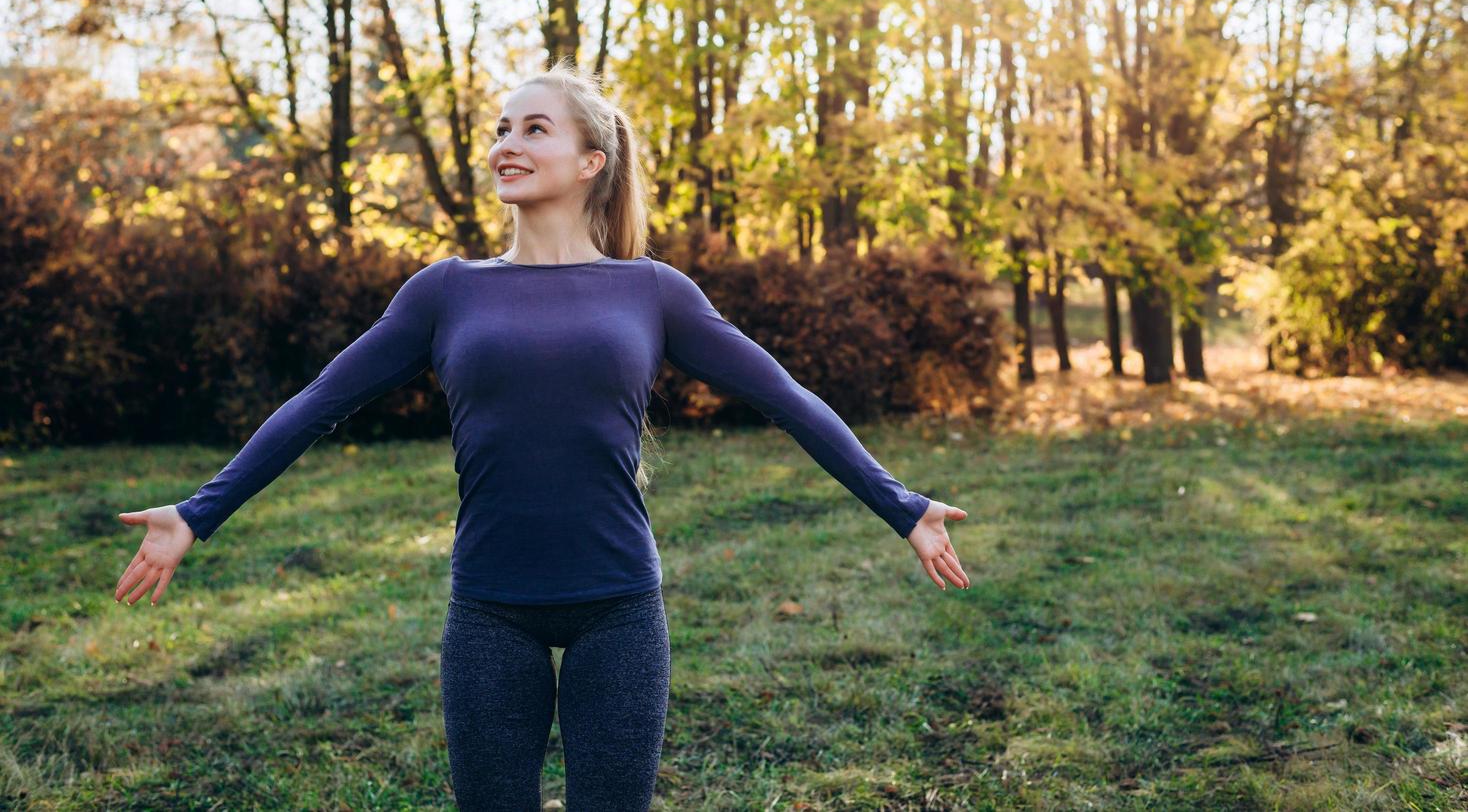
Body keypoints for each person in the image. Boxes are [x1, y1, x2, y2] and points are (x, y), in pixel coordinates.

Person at [113, 60, 972, 810]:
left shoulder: (653, 291)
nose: (505, 144)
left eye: (532, 127)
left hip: (619, 606)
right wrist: (198, 512)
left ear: (590, 161)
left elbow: (787, 398)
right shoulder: (446, 292)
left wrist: (902, 507)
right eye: (499, 129)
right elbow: (317, 403)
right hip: (489, 608)